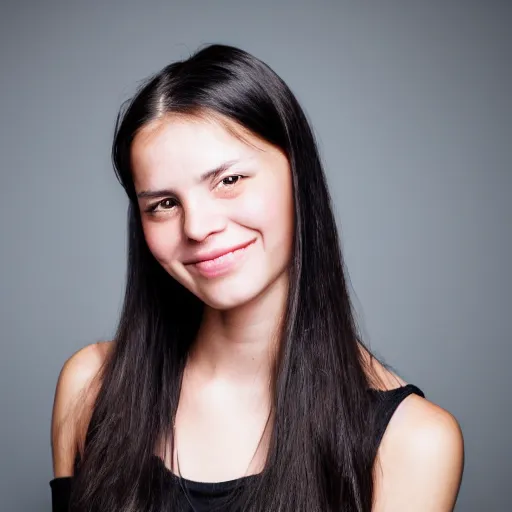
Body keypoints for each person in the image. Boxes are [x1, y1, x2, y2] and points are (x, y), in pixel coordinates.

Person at [49, 44, 464, 512]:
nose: (197, 227)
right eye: (164, 204)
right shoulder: (92, 386)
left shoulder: (412, 442)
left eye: (229, 180)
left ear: (297, 174)